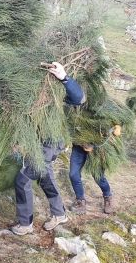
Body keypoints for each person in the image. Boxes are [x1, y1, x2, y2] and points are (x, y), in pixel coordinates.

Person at [10, 63, 85, 235]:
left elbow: (79, 98)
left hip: (50, 144)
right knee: (45, 178)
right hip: (40, 142)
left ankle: (25, 223)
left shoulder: (57, 92)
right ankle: (59, 214)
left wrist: (64, 77)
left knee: (22, 181)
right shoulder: (34, 94)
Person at [69, 144, 113, 215]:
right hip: (78, 145)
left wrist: (94, 145)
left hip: (97, 147)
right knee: (73, 174)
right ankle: (80, 201)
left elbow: (116, 133)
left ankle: (107, 197)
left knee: (98, 176)